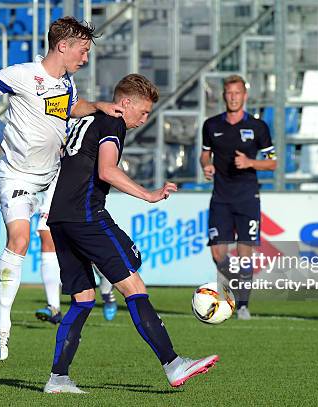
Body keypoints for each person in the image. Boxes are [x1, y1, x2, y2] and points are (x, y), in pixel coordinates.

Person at [0, 16, 123, 361]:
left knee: (76, 237)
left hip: (54, 178)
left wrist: (98, 106)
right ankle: (2, 328)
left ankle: (103, 289)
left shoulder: (67, 82)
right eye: (82, 50)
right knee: (19, 240)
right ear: (62, 46)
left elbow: (72, 107)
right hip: (17, 176)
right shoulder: (21, 74)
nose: (85, 57)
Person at [43, 74, 218, 394]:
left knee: (82, 299)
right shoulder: (114, 121)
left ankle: (58, 378)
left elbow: (54, 109)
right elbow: (106, 170)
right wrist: (149, 195)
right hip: (86, 215)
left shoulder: (89, 116)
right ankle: (173, 364)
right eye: (144, 111)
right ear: (124, 104)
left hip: (60, 218)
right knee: (133, 284)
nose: (144, 119)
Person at [0, 99, 119, 323]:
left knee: (88, 252)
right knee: (46, 237)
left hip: (76, 187)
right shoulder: (36, 123)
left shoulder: (75, 119)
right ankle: (53, 307)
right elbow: (7, 138)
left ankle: (107, 292)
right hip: (51, 188)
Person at [199, 75, 276, 320]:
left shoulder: (258, 127)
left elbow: (272, 162)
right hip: (220, 197)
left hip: (247, 197)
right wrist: (206, 165)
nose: (233, 97)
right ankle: (232, 290)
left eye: (237, 93)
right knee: (217, 254)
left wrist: (250, 162)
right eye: (229, 93)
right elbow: (204, 154)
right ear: (224, 95)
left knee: (245, 253)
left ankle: (242, 305)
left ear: (245, 96)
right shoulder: (211, 125)